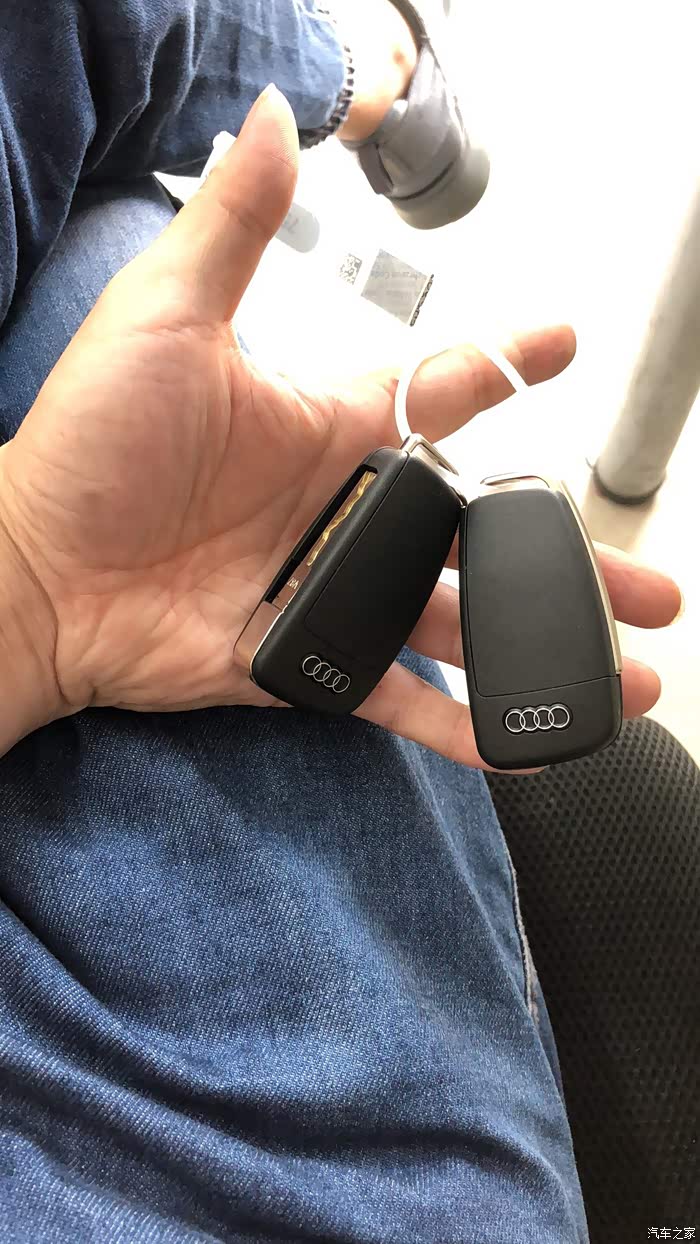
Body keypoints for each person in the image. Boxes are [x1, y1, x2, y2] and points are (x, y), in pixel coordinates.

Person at [0, 3, 682, 1241]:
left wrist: (31, 589)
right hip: (351, 1180)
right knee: (89, 186)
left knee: (92, 217)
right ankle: (360, 74)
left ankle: (354, 79)